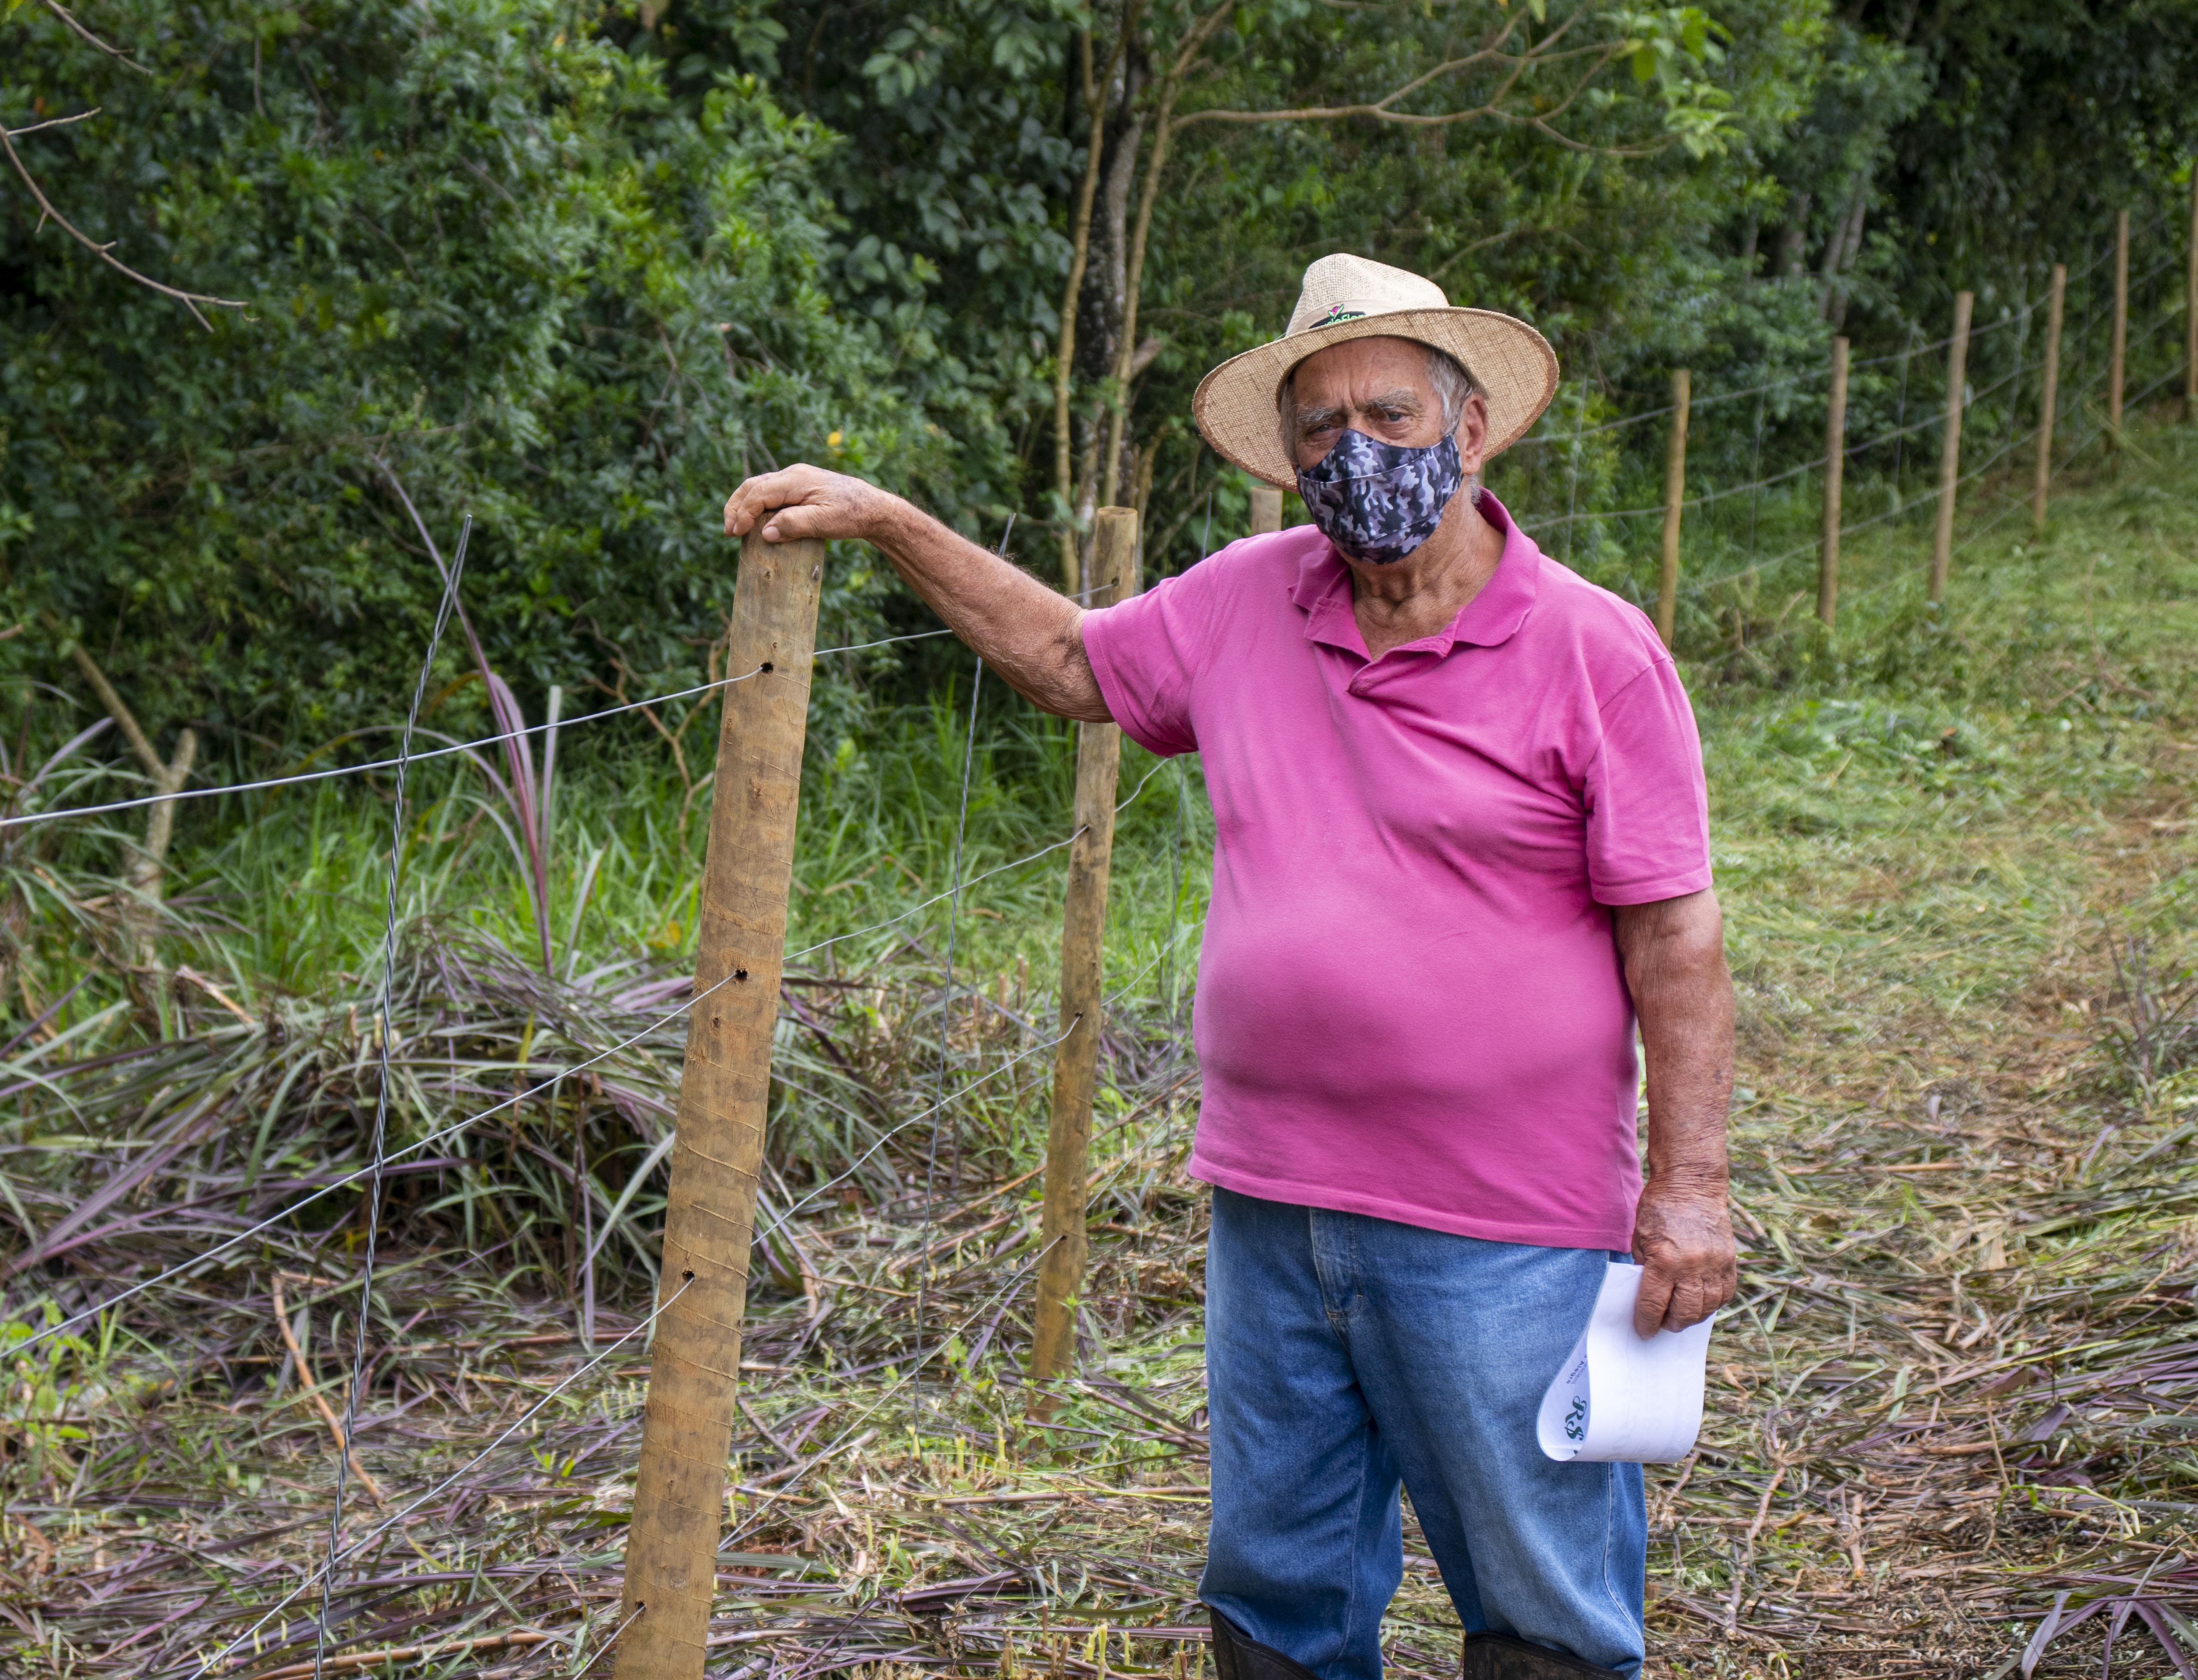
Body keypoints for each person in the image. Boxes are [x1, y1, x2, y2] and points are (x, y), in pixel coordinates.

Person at [721, 255, 1735, 1680]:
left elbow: (1674, 934)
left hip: (1503, 1224)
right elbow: (1077, 662)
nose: (1355, 452)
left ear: (1471, 427)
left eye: (1389, 414)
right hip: (1271, 1205)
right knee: (1278, 1592)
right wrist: (895, 526)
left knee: (1541, 1598)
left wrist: (1687, 1192)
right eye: (1320, 429)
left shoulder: (1590, 651)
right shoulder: (1251, 598)